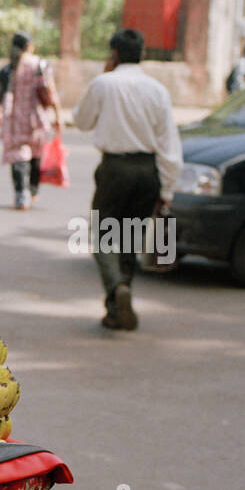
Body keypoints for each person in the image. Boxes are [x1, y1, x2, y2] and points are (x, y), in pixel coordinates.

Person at [72, 27, 182, 331]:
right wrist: (168, 188)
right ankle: (118, 305)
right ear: (143, 54)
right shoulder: (157, 90)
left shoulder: (104, 83)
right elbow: (169, 145)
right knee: (130, 237)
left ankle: (117, 288)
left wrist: (104, 74)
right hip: (148, 171)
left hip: (115, 168)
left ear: (114, 54)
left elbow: (81, 120)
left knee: (104, 234)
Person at [0, 32, 62, 210]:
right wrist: (58, 116)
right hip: (36, 119)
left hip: (14, 119)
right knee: (36, 155)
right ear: (30, 45)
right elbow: (49, 91)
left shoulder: (10, 66)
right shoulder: (39, 64)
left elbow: (0, 91)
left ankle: (21, 194)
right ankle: (32, 191)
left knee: (18, 156)